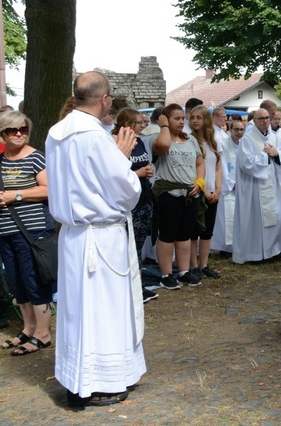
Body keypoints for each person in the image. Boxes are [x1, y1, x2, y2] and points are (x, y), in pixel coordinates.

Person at [46, 71, 145, 407]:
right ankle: (101, 381)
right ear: (104, 99)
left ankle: (78, 378)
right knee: (103, 310)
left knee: (77, 310)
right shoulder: (96, 137)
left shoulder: (55, 133)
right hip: (100, 237)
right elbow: (126, 190)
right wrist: (122, 156)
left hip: (73, 236)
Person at [0, 112, 56, 355]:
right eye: (13, 130)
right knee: (17, 283)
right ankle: (28, 328)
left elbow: (49, 189)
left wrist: (18, 195)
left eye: (23, 129)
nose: (19, 134)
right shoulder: (1, 160)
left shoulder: (36, 158)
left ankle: (43, 334)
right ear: (3, 133)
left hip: (33, 233)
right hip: (6, 232)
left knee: (35, 281)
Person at [151, 103, 206, 289]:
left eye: (183, 118)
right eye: (176, 118)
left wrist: (200, 182)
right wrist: (164, 127)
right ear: (165, 119)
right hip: (168, 193)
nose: (182, 122)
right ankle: (166, 274)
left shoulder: (190, 140)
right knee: (167, 234)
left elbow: (200, 163)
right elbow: (163, 145)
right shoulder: (158, 138)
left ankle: (183, 272)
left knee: (184, 234)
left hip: (189, 193)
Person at [233, 108, 281, 263]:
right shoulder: (248, 139)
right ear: (255, 120)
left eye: (268, 118)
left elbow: (280, 157)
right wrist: (265, 155)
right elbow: (246, 163)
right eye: (261, 118)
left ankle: (273, 250)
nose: (266, 121)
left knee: (278, 215)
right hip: (253, 186)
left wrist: (276, 154)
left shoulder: (272, 137)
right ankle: (255, 254)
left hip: (271, 184)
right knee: (256, 219)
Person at [112, 109, 157, 303]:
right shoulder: (115, 143)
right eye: (138, 123)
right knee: (130, 245)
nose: (142, 126)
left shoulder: (139, 142)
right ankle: (134, 286)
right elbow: (117, 172)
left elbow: (144, 163)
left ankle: (138, 283)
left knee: (138, 244)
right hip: (130, 202)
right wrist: (138, 173)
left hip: (145, 196)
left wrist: (149, 170)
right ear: (127, 124)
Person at [188, 106, 223, 279]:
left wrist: (217, 189)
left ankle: (204, 265)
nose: (195, 121)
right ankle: (193, 265)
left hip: (212, 191)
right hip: (197, 191)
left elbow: (218, 167)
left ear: (206, 120)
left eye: (199, 118)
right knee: (194, 230)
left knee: (207, 231)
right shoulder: (188, 140)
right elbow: (192, 169)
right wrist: (205, 190)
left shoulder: (213, 141)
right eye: (193, 117)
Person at [212, 119, 244, 256]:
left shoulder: (244, 144)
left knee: (240, 216)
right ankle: (225, 248)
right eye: (236, 129)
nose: (239, 132)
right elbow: (222, 167)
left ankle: (239, 244)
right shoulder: (223, 145)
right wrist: (230, 183)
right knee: (227, 216)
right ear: (230, 130)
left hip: (242, 186)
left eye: (242, 129)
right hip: (228, 187)